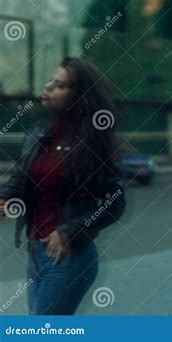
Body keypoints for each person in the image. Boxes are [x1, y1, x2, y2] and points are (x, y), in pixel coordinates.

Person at [0, 57, 125, 315]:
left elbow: (116, 202)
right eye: (51, 81)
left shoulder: (93, 140)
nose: (49, 87)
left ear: (79, 94)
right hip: (36, 251)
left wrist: (69, 231)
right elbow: (18, 181)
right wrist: (3, 199)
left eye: (61, 85)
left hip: (70, 256)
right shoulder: (38, 134)